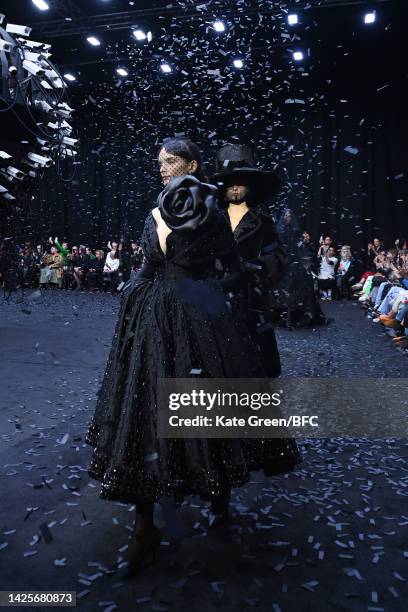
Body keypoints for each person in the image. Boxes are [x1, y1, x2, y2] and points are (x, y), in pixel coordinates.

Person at [85, 136, 301, 577]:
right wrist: (134, 289)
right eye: (160, 163)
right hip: (150, 323)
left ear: (192, 164)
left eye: (172, 161)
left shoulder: (212, 212)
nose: (163, 168)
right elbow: (149, 264)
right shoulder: (153, 211)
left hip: (200, 323)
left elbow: (235, 271)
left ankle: (216, 490)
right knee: (144, 413)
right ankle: (144, 526)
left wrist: (209, 294)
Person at [210, 143, 286, 377]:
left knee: (256, 365)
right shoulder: (211, 222)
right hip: (216, 302)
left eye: (240, 181)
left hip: (252, 302)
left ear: (250, 185)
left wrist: (251, 270)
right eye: (229, 182)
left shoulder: (264, 223)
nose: (234, 187)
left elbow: (278, 259)